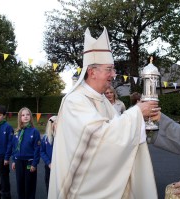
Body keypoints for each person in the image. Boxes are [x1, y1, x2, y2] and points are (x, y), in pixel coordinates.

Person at [48, 27, 158, 199]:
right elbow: (99, 137)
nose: (113, 74)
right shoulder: (74, 100)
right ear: (92, 72)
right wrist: (137, 113)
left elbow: (116, 130)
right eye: (109, 69)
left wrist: (139, 118)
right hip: (80, 187)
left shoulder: (102, 99)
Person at [11, 107, 41, 199]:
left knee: (29, 184)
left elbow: (37, 149)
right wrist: (13, 160)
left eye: (27, 115)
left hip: (29, 162)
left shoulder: (34, 131)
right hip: (19, 161)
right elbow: (14, 147)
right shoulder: (17, 131)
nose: (25, 117)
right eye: (23, 115)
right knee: (20, 184)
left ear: (31, 117)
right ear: (20, 118)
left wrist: (34, 163)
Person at [40, 115, 57, 194]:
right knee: (49, 183)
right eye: (56, 123)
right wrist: (48, 163)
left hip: (59, 166)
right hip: (49, 165)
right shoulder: (45, 138)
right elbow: (42, 151)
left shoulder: (61, 138)